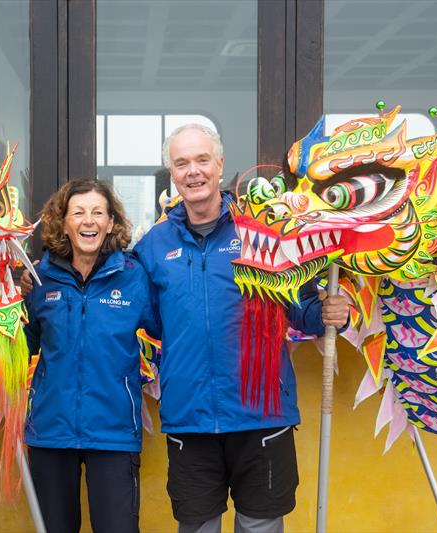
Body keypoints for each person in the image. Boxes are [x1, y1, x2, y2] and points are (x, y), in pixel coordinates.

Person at [133, 124, 349, 533]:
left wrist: (329, 312)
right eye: (181, 163)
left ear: (219, 164)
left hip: (261, 415)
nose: (192, 172)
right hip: (189, 420)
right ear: (172, 174)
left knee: (260, 526)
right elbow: (143, 316)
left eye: (201, 160)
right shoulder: (153, 247)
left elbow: (301, 309)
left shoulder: (264, 233)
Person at [21, 179, 158, 533]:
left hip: (113, 433)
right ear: (63, 223)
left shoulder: (134, 277)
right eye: (78, 212)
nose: (89, 221)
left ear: (111, 223)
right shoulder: (39, 280)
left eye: (98, 212)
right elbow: (24, 344)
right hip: (51, 433)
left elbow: (168, 329)